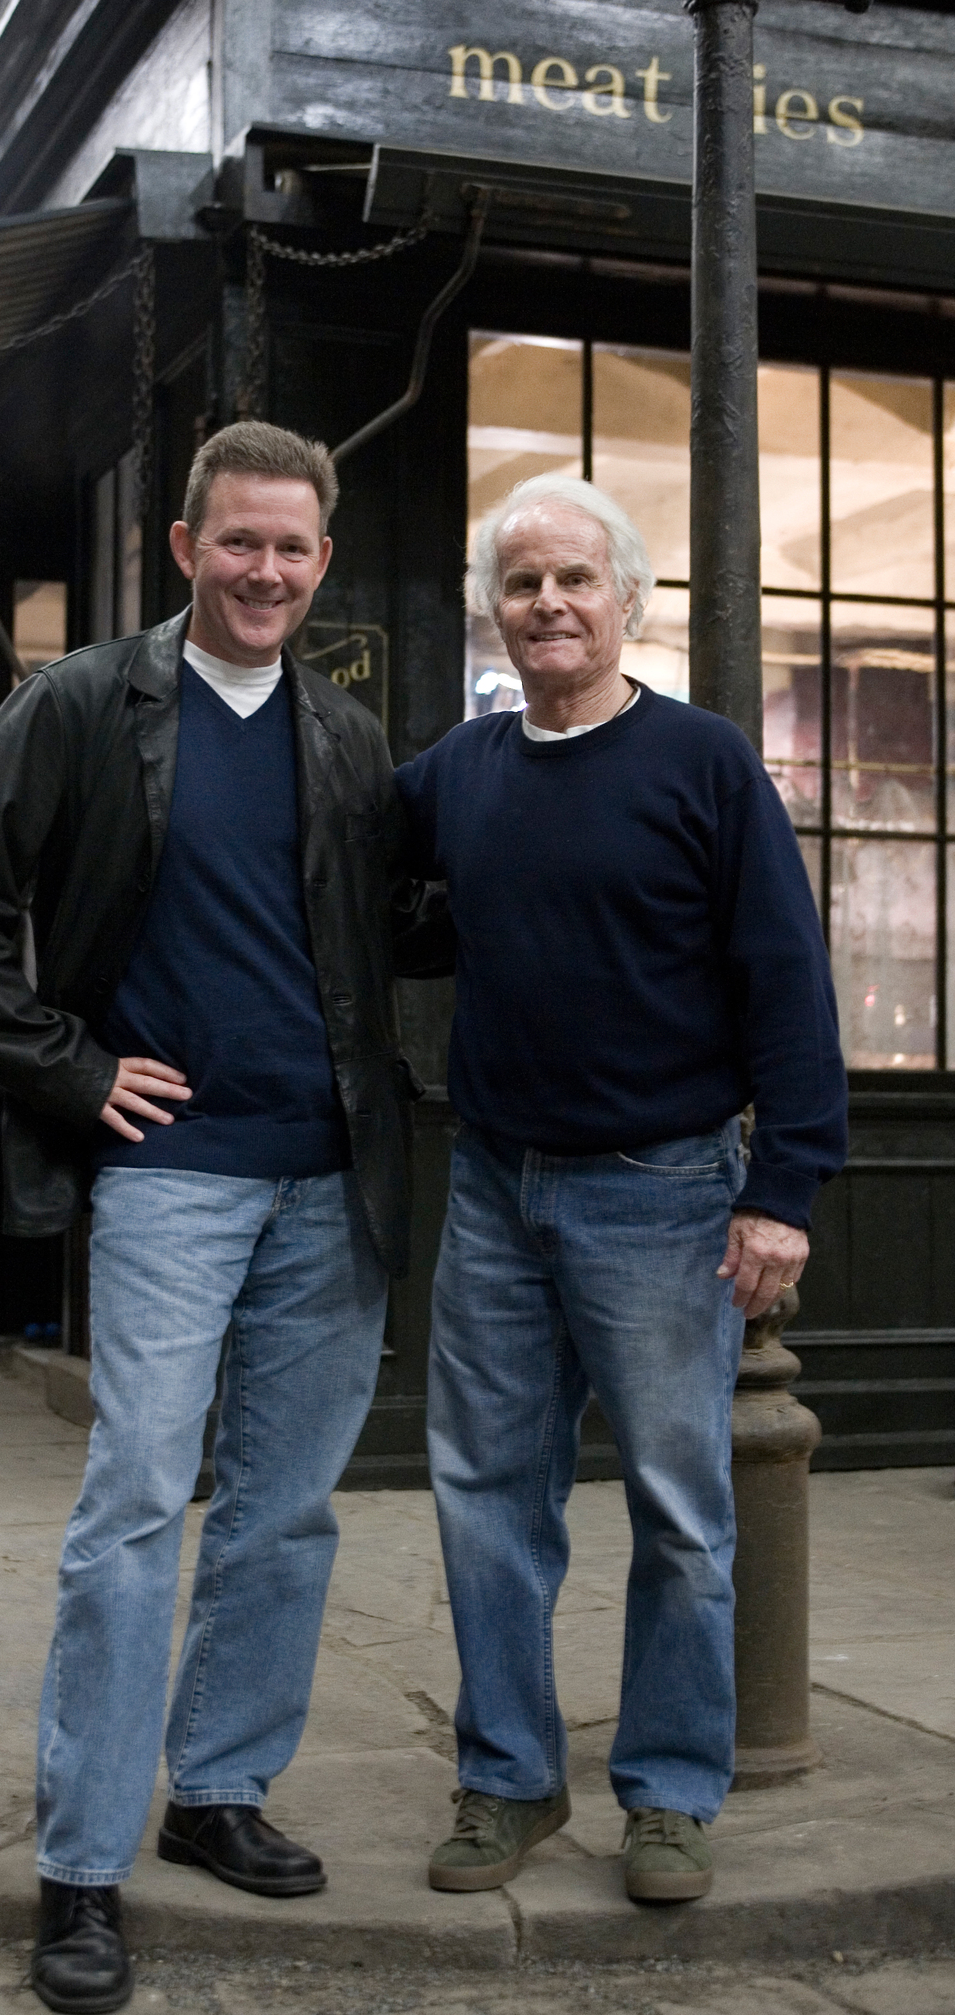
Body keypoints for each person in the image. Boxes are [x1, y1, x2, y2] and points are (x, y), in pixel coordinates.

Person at [0, 422, 420, 2015]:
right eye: (238, 541)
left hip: (329, 1180)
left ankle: (216, 1791)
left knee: (283, 1511)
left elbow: (409, 926)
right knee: (132, 1508)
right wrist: (65, 1067)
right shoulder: (80, 703)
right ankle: (80, 1866)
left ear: (321, 564)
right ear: (185, 546)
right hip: (172, 1181)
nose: (265, 570)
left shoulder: (343, 737)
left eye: (293, 548)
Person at [395, 474, 847, 1906]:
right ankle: (510, 1782)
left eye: (573, 581)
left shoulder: (703, 764)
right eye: (520, 583)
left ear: (627, 601)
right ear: (490, 607)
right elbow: (373, 896)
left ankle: (665, 1795)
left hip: (661, 1191)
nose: (546, 605)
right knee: (483, 1498)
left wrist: (782, 1187)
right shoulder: (455, 772)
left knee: (678, 1510)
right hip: (492, 1186)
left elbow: (785, 980)